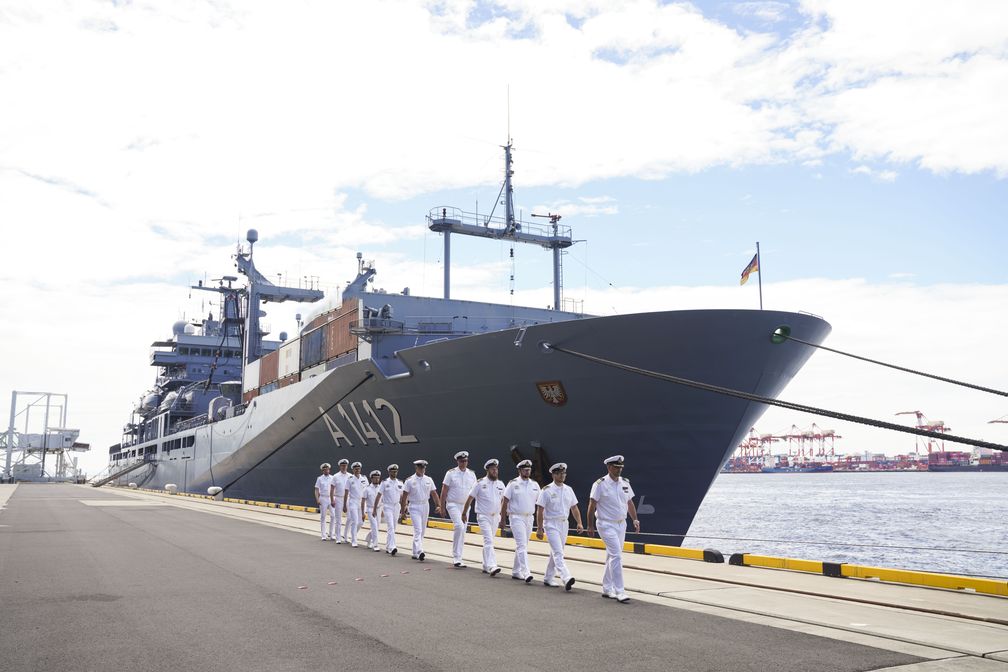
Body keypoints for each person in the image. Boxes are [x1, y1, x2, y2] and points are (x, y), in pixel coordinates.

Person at [586, 455, 640, 603]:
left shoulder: (625, 483)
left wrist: (635, 519)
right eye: (616, 467)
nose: (619, 470)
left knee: (612, 555)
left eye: (621, 467)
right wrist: (589, 525)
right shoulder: (600, 484)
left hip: (621, 524)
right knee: (616, 555)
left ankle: (606, 588)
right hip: (605, 524)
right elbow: (592, 505)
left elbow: (629, 502)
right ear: (609, 467)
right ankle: (620, 591)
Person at [535, 462, 584, 590]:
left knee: (556, 552)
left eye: (564, 473)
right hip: (551, 524)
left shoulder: (569, 490)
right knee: (558, 552)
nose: (562, 475)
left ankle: (548, 577)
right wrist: (539, 528)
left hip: (564, 523)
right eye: (559, 473)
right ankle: (566, 577)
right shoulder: (546, 490)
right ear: (553, 475)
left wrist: (579, 522)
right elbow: (540, 510)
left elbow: (574, 507)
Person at [462, 458, 505, 576]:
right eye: (493, 469)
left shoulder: (501, 484)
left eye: (496, 469)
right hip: (483, 516)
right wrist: (464, 513)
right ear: (488, 470)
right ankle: (492, 565)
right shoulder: (480, 483)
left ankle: (486, 565)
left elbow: (503, 500)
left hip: (496, 517)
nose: (495, 471)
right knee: (489, 540)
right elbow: (470, 498)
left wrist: (502, 514)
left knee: (490, 541)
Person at [500, 459, 540, 583]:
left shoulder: (535, 485)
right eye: (525, 469)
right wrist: (503, 520)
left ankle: (516, 571)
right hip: (516, 517)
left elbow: (540, 504)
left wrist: (540, 523)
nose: (527, 471)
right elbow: (504, 502)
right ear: (520, 470)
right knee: (522, 545)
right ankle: (526, 572)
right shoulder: (513, 484)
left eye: (529, 470)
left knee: (523, 545)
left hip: (530, 517)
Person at [439, 450, 477, 568]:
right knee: (459, 526)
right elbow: (444, 490)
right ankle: (456, 557)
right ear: (457, 461)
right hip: (453, 504)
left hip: (466, 506)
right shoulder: (450, 473)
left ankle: (459, 557)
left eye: (465, 461)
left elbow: (475, 491)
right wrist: (442, 506)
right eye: (461, 461)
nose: (463, 463)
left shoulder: (471, 474)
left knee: (463, 531)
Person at [400, 459, 440, 561]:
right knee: (418, 530)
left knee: (422, 530)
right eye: (420, 467)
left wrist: (438, 505)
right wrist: (403, 511)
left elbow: (434, 493)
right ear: (416, 468)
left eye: (424, 467)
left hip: (425, 505)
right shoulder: (409, 480)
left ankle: (414, 552)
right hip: (414, 506)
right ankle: (420, 550)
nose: (422, 469)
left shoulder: (428, 479)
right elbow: (404, 496)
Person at [375, 464, 403, 555]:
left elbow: (402, 496)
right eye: (392, 471)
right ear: (389, 472)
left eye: (396, 471)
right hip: (387, 506)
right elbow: (378, 496)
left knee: (393, 527)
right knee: (390, 526)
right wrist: (374, 508)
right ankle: (392, 547)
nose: (394, 473)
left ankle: (388, 546)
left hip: (396, 506)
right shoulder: (384, 482)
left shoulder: (400, 482)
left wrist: (404, 508)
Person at [344, 462, 368, 548]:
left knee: (361, 522)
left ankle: (353, 534)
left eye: (358, 469)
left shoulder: (364, 479)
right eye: (355, 469)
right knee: (355, 521)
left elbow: (367, 491)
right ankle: (354, 540)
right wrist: (344, 504)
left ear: (360, 469)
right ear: (353, 470)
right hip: (353, 501)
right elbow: (346, 492)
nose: (357, 470)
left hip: (362, 502)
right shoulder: (350, 479)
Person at [314, 463, 336, 540]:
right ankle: (323, 535)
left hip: (331, 498)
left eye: (327, 469)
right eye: (324, 469)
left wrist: (334, 499)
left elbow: (335, 489)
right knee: (323, 517)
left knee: (333, 516)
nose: (326, 470)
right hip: (323, 498)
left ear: (329, 470)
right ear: (322, 470)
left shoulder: (333, 478)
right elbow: (316, 490)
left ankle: (331, 533)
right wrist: (317, 499)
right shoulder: (319, 478)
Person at [332, 458, 351, 543]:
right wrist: (332, 500)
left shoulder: (350, 476)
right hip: (339, 498)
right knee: (338, 519)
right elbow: (332, 489)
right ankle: (338, 537)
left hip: (348, 499)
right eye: (342, 465)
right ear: (340, 466)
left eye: (345, 465)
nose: (344, 467)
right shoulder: (335, 476)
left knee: (350, 518)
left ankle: (346, 536)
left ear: (347, 466)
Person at [364, 470, 382, 551]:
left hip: (379, 508)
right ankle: (375, 545)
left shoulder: (381, 487)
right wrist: (363, 512)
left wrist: (383, 510)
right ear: (371, 479)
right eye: (375, 478)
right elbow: (363, 501)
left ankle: (368, 539)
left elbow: (383, 499)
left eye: (378, 478)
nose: (377, 480)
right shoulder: (367, 489)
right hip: (370, 509)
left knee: (376, 527)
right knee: (374, 526)